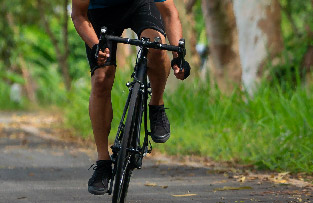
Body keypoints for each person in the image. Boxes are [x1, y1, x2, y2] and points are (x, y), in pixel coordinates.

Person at [71, 0, 190, 195]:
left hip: (139, 5)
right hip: (99, 14)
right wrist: (95, 47)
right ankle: (103, 162)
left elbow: (169, 13)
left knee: (157, 48)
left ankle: (157, 105)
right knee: (101, 79)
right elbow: (78, 15)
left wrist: (178, 55)